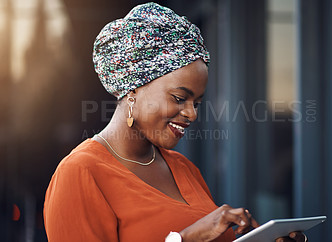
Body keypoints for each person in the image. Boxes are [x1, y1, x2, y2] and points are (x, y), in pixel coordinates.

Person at [43, 3, 307, 242]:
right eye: (180, 98)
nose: (191, 114)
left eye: (197, 103)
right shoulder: (80, 173)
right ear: (133, 88)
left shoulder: (184, 169)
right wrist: (185, 239)